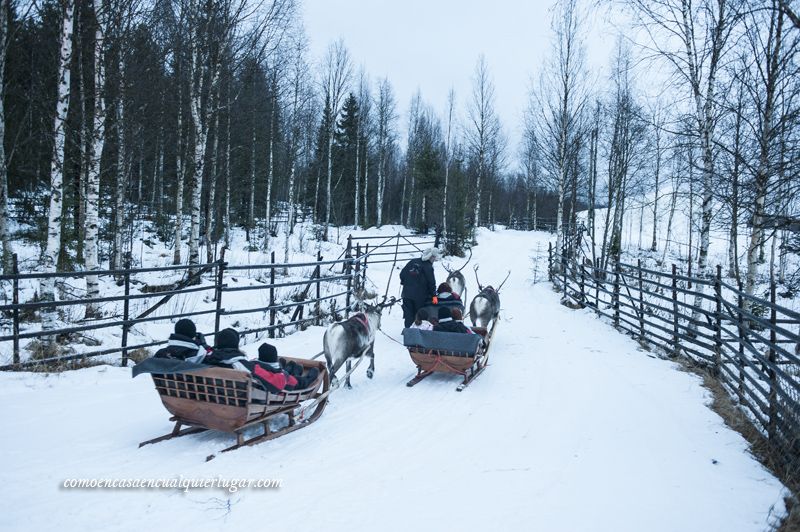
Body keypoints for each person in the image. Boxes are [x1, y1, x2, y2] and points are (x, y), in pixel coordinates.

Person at [400, 247, 440, 328]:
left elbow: (402, 274)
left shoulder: (412, 261)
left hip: (406, 294)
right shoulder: (428, 266)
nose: (434, 260)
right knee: (418, 314)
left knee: (408, 314)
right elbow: (431, 283)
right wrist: (434, 296)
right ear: (431, 257)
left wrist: (405, 283)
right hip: (420, 297)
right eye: (434, 258)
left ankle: (408, 332)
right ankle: (417, 332)